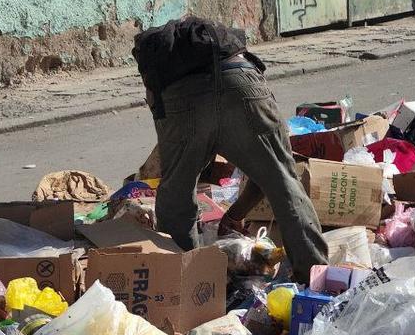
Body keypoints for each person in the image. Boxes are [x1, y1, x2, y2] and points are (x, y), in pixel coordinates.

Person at [133, 17, 328, 283]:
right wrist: (237, 213)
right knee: (283, 180)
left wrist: (234, 213)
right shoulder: (224, 51)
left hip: (182, 100)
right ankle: (317, 280)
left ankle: (185, 283)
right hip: (243, 86)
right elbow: (269, 174)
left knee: (176, 195)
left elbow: (176, 194)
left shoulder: (159, 69)